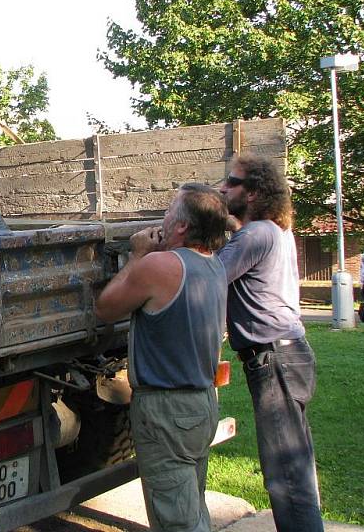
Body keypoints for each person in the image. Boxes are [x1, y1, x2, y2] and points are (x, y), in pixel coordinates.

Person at [95, 183, 228, 532]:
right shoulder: (213, 265)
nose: (164, 218)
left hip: (167, 412)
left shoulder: (160, 266)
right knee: (191, 506)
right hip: (201, 404)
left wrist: (139, 255)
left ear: (182, 226)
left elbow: (105, 308)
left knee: (175, 520)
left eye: (170, 212)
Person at [218, 155, 324, 532]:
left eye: (231, 182)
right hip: (285, 354)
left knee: (287, 476)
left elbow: (209, 277)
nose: (223, 188)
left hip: (274, 358)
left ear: (254, 193)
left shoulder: (256, 234)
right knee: (295, 468)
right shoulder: (271, 231)